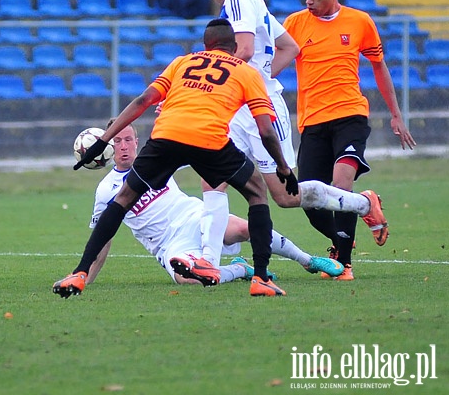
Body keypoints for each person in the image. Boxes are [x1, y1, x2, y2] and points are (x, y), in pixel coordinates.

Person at [53, 18, 297, 298]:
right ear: (235, 47)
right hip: (210, 140)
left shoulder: (183, 62)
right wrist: (283, 168)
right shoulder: (246, 72)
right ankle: (261, 278)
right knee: (257, 192)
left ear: (205, 45)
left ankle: (80, 273)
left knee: (123, 198)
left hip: (166, 136)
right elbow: (266, 129)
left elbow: (143, 100)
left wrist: (104, 140)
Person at [192, 0, 392, 280]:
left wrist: (217, 83)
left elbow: (243, 49)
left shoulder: (237, 1)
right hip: (242, 106)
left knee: (286, 196)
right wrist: (261, 79)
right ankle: (209, 262)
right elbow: (290, 48)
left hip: (259, 110)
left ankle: (361, 204)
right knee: (212, 177)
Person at [85, 122, 345, 286]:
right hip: (169, 244)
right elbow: (103, 239)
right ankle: (239, 269)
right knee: (190, 280)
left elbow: (192, 147)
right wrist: (84, 277)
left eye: (128, 139)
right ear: (109, 148)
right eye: (117, 141)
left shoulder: (154, 160)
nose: (124, 146)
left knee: (245, 228)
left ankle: (308, 260)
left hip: (195, 217)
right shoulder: (106, 190)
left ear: (137, 142)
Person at [283, 0, 415, 279]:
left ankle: (343, 263)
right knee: (308, 201)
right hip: (312, 123)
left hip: (350, 115)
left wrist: (396, 114)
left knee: (341, 183)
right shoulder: (295, 25)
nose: (308, 1)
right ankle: (364, 205)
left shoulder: (359, 22)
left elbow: (379, 66)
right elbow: (273, 62)